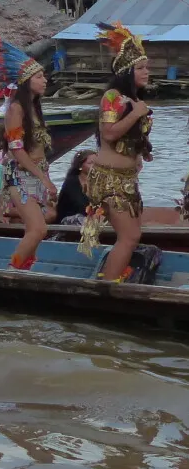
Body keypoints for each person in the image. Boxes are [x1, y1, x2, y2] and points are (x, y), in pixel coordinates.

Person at [0, 28, 56, 270]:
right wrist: (43, 177)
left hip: (36, 173)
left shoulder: (34, 109)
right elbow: (18, 151)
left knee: (40, 226)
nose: (45, 80)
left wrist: (44, 175)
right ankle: (11, 273)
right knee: (38, 228)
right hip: (20, 175)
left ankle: (23, 269)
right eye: (40, 76)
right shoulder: (16, 110)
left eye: (44, 76)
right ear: (26, 81)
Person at [82, 23, 152, 281]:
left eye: (147, 67)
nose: (147, 72)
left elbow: (129, 138)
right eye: (141, 68)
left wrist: (140, 154)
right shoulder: (112, 96)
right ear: (127, 71)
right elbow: (109, 133)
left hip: (127, 179)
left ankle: (112, 281)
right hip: (110, 179)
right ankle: (108, 287)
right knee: (129, 237)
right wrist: (136, 113)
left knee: (133, 236)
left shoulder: (134, 100)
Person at [56, 150, 96, 225]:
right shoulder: (72, 182)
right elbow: (80, 205)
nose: (95, 166)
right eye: (90, 163)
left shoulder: (99, 182)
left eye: (96, 163)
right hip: (72, 217)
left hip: (93, 217)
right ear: (80, 166)